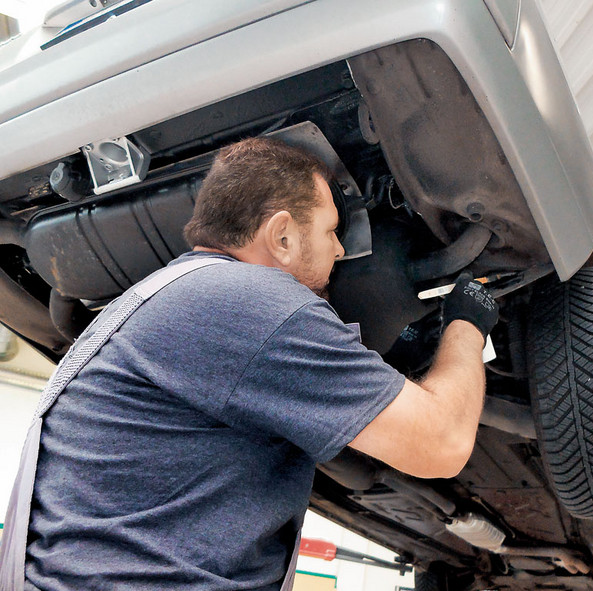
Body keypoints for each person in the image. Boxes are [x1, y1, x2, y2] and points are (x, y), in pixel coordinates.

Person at [20, 137, 499, 590]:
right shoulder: (248, 301)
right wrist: (467, 321)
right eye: (331, 230)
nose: (338, 248)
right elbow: (442, 441)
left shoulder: (168, 295)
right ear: (283, 236)